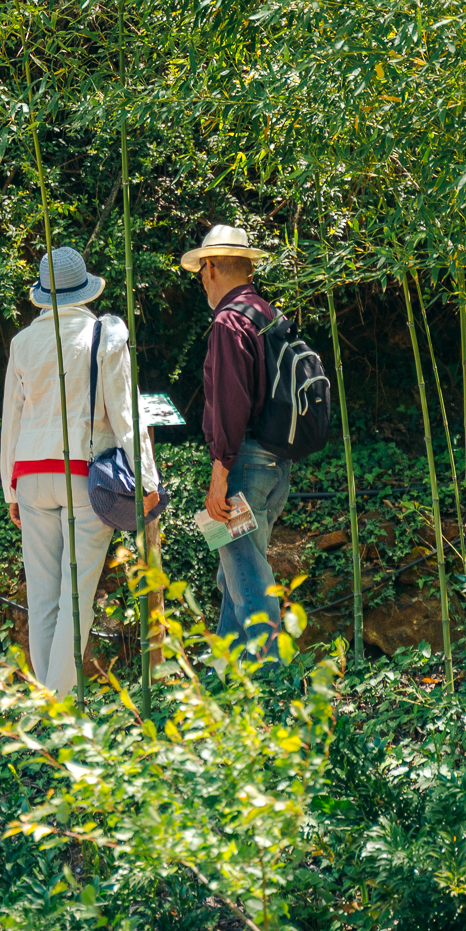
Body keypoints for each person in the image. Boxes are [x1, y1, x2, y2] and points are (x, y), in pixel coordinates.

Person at [0, 246, 159, 698]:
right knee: (77, 596)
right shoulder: (103, 335)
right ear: (84, 290)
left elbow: (13, 418)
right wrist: (147, 480)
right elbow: (126, 413)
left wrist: (9, 488)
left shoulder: (23, 342)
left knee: (43, 596)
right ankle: (59, 703)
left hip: (30, 476)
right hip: (81, 475)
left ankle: (47, 699)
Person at [180, 224, 291, 664]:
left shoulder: (228, 322)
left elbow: (229, 404)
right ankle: (221, 689)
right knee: (236, 577)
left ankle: (278, 689)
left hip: (242, 465)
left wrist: (219, 477)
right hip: (276, 466)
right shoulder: (268, 314)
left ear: (209, 268)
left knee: (248, 585)